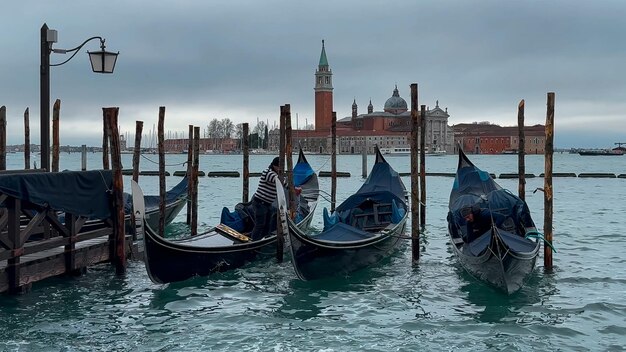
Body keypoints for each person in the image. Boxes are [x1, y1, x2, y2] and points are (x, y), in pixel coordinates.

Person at [250, 157, 301, 240]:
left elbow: (285, 185)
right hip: (259, 203)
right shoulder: (268, 173)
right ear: (274, 166)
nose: (280, 170)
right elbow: (279, 181)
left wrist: (294, 189)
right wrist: (293, 187)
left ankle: (264, 239)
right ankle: (253, 243)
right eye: (279, 167)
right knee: (260, 224)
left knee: (268, 224)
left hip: (267, 204)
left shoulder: (275, 174)